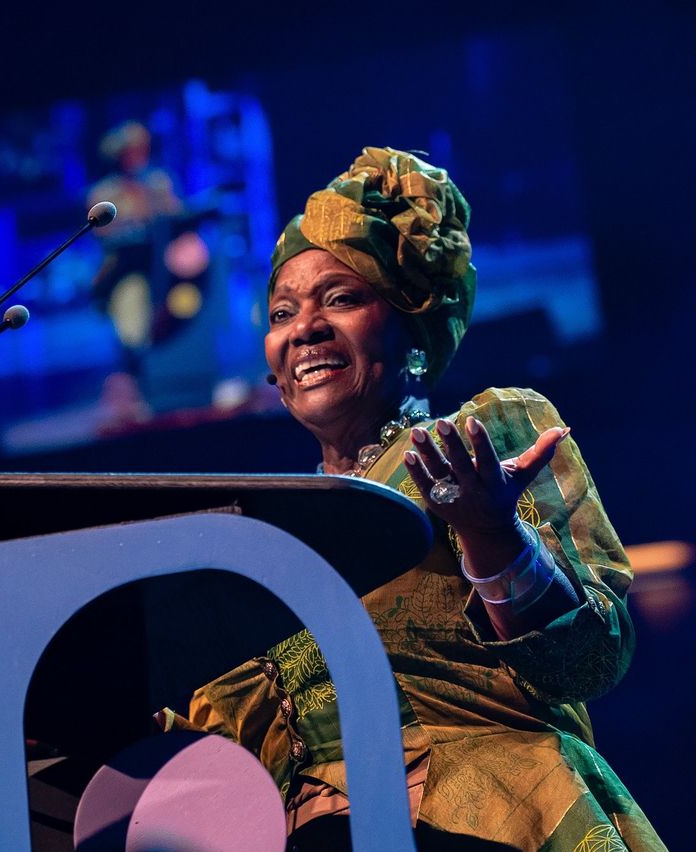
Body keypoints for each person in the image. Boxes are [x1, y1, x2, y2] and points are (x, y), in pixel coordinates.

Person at [160, 147, 665, 849]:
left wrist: (493, 534)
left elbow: (586, 663)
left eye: (340, 298)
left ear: (411, 331)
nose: (303, 327)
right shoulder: (255, 536)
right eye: (283, 310)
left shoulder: (485, 438)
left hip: (489, 820)